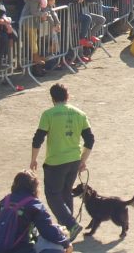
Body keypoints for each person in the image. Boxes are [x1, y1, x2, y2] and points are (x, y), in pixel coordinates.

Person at [29, 84, 93, 242]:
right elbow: (90, 139)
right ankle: (67, 231)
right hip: (74, 160)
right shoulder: (80, 113)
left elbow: (38, 138)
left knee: (52, 194)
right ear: (67, 96)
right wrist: (83, 160)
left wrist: (33, 159)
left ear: (52, 98)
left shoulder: (48, 114)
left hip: (56, 162)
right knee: (66, 193)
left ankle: (70, 224)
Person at [0, 170, 73, 253]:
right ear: (34, 187)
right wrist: (66, 243)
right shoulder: (34, 205)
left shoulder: (4, 202)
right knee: (54, 247)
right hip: (21, 249)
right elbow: (47, 230)